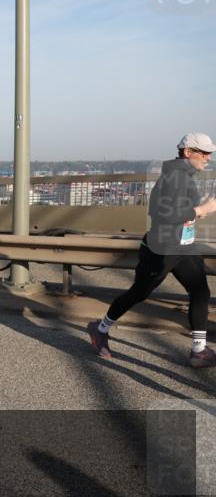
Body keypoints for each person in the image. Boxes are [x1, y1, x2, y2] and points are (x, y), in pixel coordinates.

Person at [89, 133, 216, 368]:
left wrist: (197, 210)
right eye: (204, 153)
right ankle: (100, 328)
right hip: (162, 249)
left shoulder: (184, 176)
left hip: (183, 246)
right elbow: (163, 215)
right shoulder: (174, 178)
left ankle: (199, 350)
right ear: (188, 152)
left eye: (210, 153)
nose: (208, 158)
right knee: (139, 293)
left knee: (200, 292)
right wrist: (201, 210)